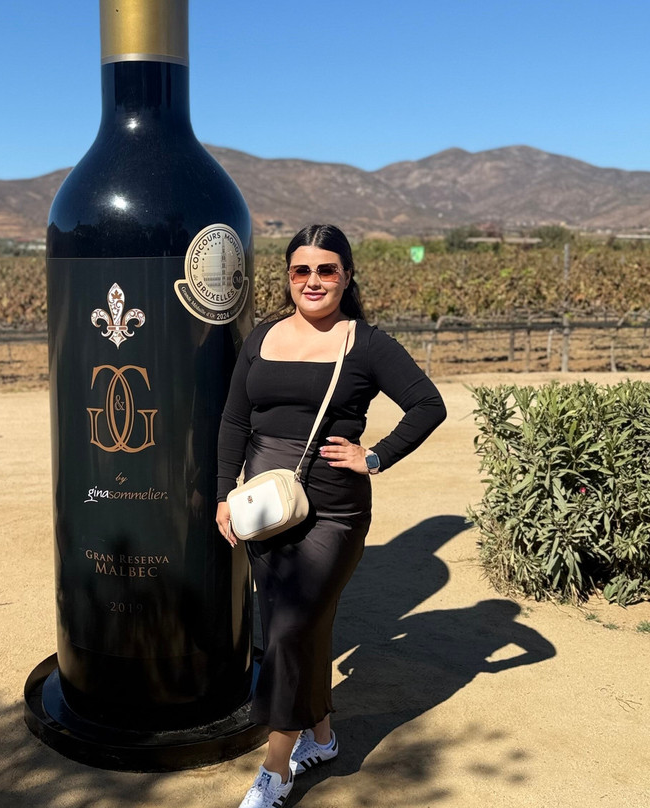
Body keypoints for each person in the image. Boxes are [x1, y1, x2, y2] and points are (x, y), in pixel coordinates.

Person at [215, 224, 446, 808]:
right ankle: (320, 738)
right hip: (266, 509)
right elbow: (235, 422)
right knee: (302, 629)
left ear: (346, 276)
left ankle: (276, 771)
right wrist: (224, 493)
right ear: (288, 277)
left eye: (326, 270)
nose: (313, 281)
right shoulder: (263, 335)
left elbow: (428, 404)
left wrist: (375, 455)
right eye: (301, 271)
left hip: (334, 513)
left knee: (290, 627)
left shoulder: (364, 343)